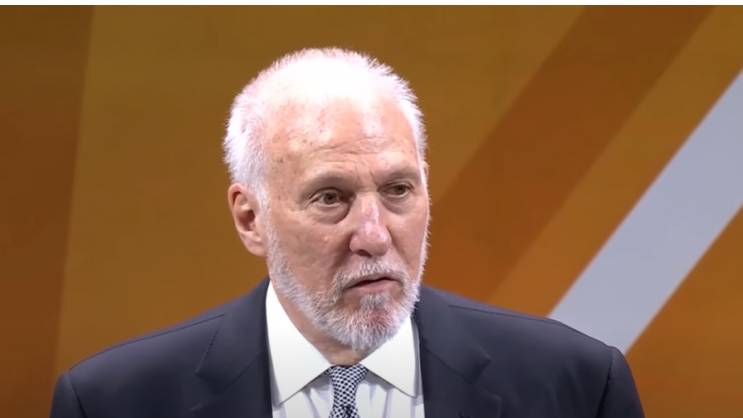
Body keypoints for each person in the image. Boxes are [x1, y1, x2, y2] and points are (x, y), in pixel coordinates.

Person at [50, 48, 644, 418]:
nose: (375, 236)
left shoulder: (576, 387)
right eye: (330, 197)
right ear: (250, 218)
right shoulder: (113, 403)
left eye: (398, 190)